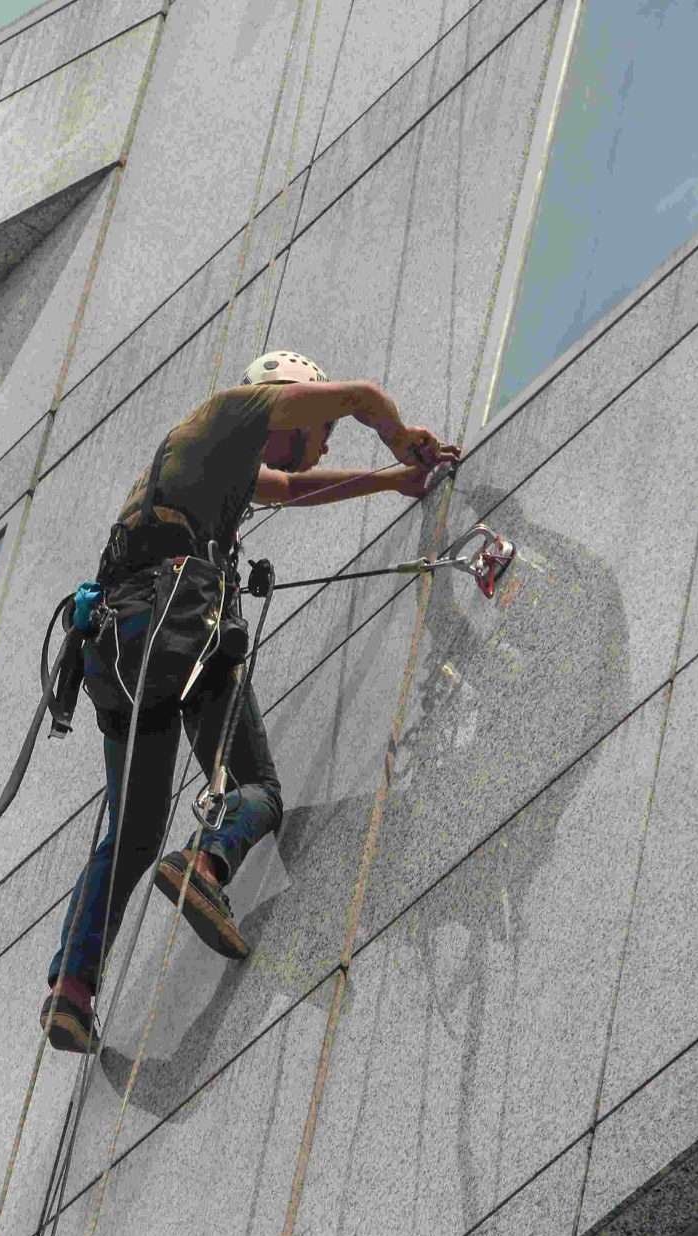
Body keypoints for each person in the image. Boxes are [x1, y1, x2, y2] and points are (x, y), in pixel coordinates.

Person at [40, 351, 460, 1054]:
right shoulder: (230, 412)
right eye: (318, 425)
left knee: (133, 834)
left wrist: (391, 482)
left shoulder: (212, 462)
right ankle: (206, 864)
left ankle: (71, 991)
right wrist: (400, 438)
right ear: (288, 400)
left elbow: (291, 487)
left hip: (117, 650)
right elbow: (362, 397)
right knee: (259, 787)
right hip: (177, 627)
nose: (324, 439)